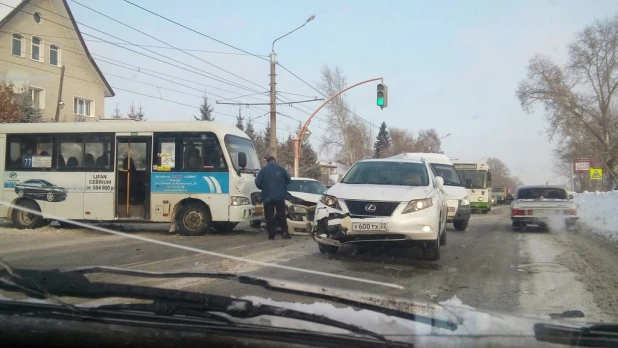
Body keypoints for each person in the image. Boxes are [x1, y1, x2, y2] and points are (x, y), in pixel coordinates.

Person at [255, 156, 291, 240]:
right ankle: (285, 232)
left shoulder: (263, 170)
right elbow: (289, 180)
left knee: (269, 216)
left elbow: (258, 182)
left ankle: (271, 235)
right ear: (275, 160)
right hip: (280, 196)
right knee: (281, 214)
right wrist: (282, 185)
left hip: (267, 197)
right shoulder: (281, 169)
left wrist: (263, 187)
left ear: (267, 162)